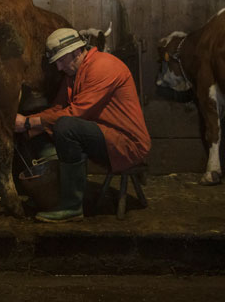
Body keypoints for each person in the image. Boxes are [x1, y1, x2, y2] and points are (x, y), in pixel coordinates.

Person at [15, 28, 151, 223]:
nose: (59, 68)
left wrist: (28, 122)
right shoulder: (74, 74)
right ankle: (53, 193)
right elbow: (57, 109)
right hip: (103, 136)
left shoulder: (103, 66)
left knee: (65, 126)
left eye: (61, 60)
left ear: (77, 52)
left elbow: (75, 113)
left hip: (127, 144)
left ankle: (71, 206)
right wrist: (29, 126)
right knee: (42, 129)